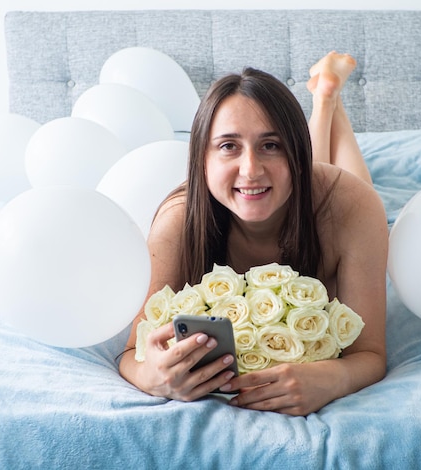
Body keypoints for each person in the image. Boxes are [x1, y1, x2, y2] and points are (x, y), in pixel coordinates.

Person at [118, 52, 388, 416]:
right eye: (229, 146)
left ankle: (327, 103)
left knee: (351, 183)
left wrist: (332, 376)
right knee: (282, 183)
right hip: (298, 184)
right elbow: (133, 353)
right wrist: (154, 377)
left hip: (326, 194)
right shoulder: (179, 219)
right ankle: (325, 100)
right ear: (202, 158)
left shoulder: (353, 205)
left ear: (295, 152)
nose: (250, 169)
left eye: (271, 145)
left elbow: (369, 354)